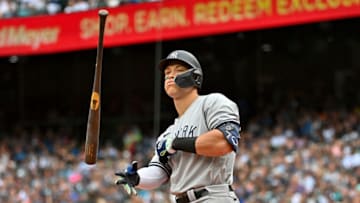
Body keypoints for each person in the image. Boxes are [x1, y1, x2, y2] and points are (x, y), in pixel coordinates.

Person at [115, 50, 241, 203]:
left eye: (179, 70)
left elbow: (222, 144)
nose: (170, 75)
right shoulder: (168, 133)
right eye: (167, 72)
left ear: (195, 77)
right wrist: (138, 178)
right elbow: (160, 172)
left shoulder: (213, 102)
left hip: (213, 196)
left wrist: (176, 143)